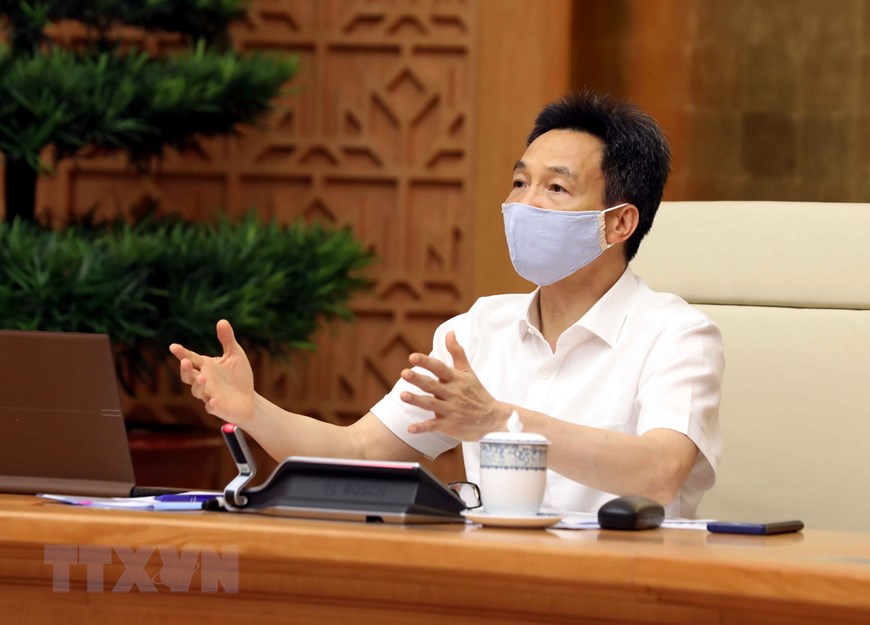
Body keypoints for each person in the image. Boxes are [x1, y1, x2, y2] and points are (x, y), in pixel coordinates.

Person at [170, 91, 723, 518]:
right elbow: (361, 450)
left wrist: (498, 420)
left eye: (555, 188)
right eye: (519, 182)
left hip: (619, 584)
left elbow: (660, 471)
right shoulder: (479, 329)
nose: (524, 204)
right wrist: (251, 409)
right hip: (485, 577)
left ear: (618, 223)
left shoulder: (675, 334)